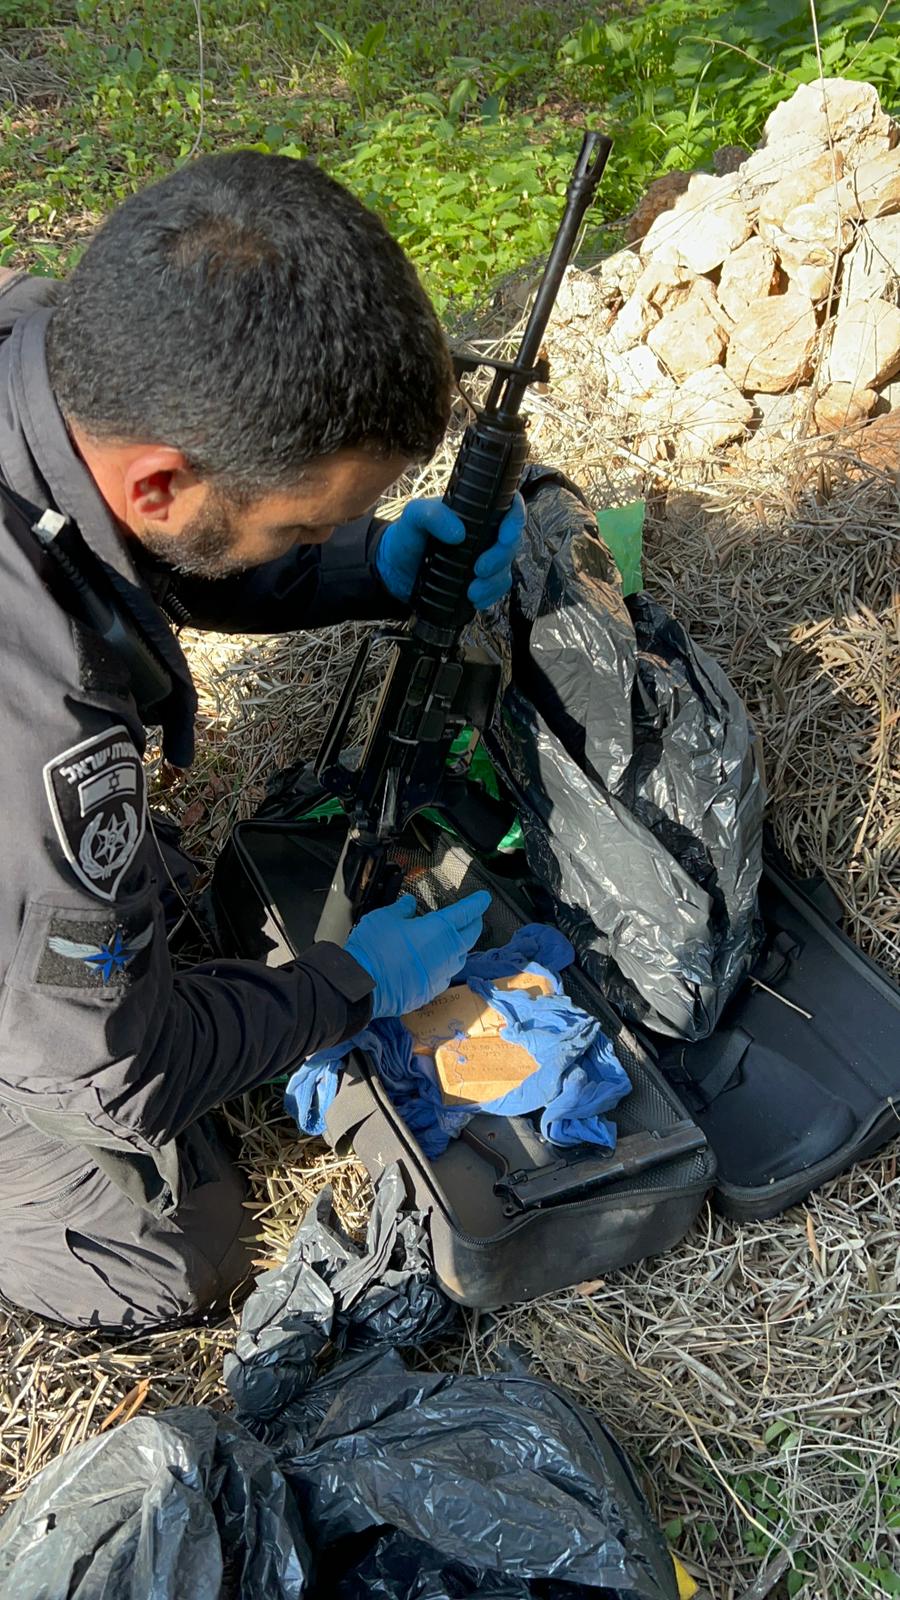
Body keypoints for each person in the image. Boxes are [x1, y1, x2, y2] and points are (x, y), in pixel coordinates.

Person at [0, 151, 524, 1331]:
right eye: (304, 529)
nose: (321, 539)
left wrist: (365, 564)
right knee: (170, 1255)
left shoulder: (52, 349)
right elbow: (113, 1076)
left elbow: (132, 542)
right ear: (160, 481)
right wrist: (352, 984)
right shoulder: (36, 729)